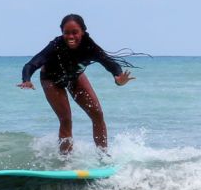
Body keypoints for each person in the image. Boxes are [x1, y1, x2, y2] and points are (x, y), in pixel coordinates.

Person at [18, 14, 135, 154]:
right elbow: (32, 64)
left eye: (75, 32)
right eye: (66, 33)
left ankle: (103, 156)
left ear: (83, 31)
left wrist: (118, 79)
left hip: (75, 77)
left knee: (97, 114)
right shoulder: (56, 45)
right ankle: (66, 160)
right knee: (66, 119)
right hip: (51, 79)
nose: (70, 36)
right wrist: (27, 79)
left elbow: (110, 63)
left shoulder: (90, 46)